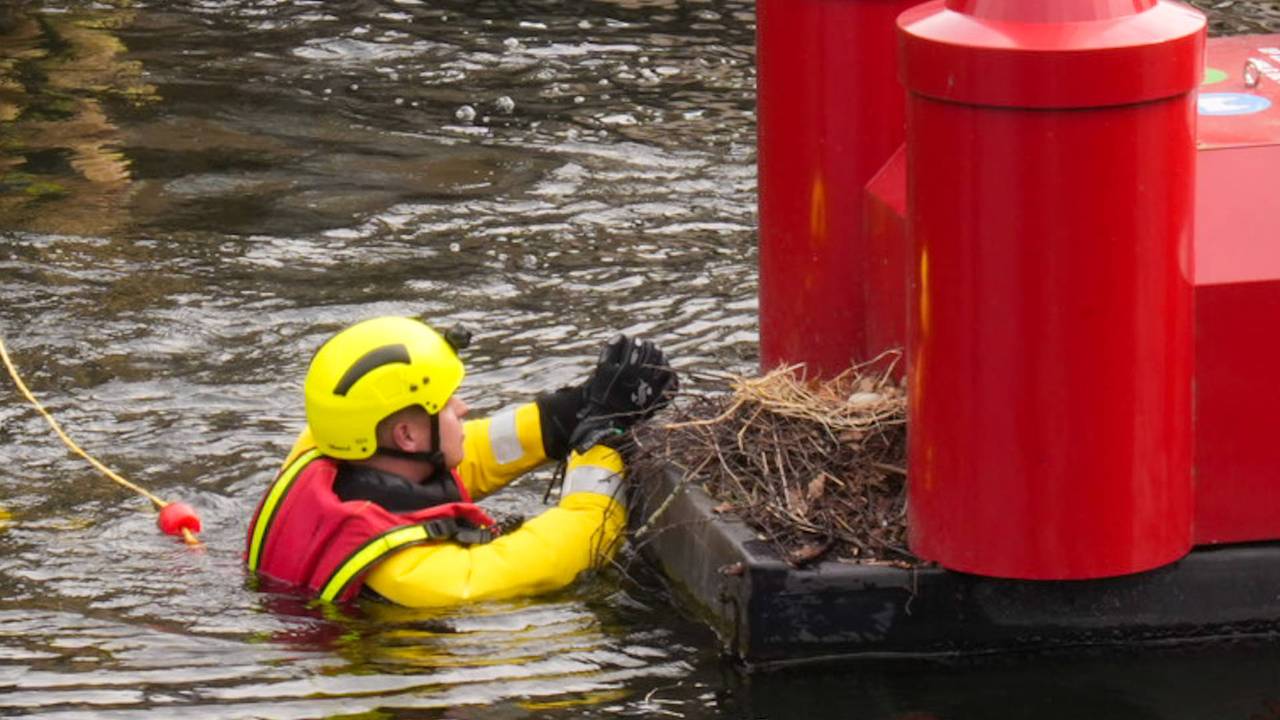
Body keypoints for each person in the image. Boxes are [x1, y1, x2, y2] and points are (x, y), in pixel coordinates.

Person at [245, 315, 677, 607]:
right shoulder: (422, 579)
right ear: (407, 436)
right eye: (446, 403)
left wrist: (571, 411)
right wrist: (604, 435)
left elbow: (473, 453)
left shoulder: (321, 447)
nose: (463, 407)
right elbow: (582, 537)